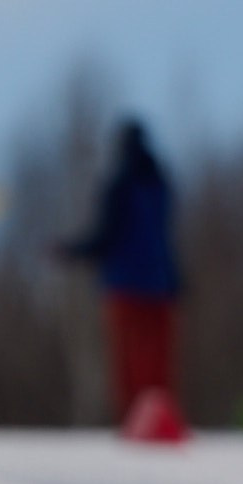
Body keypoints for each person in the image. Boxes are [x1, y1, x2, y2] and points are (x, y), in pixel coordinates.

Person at [61, 119, 182, 421]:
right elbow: (165, 234)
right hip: (162, 284)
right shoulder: (161, 183)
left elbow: (106, 236)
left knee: (129, 364)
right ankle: (161, 418)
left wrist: (71, 251)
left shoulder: (120, 183)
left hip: (125, 286)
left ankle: (137, 421)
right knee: (158, 362)